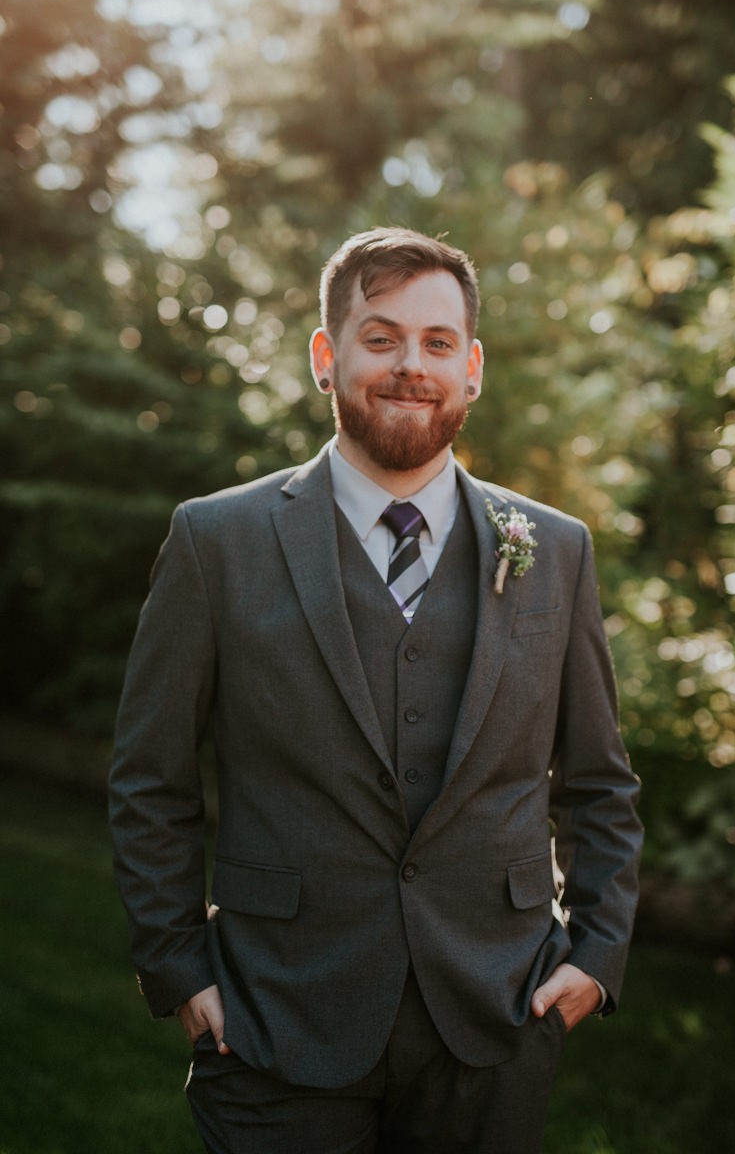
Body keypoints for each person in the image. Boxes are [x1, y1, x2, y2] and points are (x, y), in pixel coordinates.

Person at [109, 227, 642, 1154]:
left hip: (495, 1019)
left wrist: (596, 955)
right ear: (328, 356)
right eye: (381, 336)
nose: (411, 366)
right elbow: (150, 780)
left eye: (438, 343)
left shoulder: (555, 550)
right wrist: (176, 964)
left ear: (471, 369)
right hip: (274, 1015)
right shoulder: (217, 542)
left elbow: (599, 781)